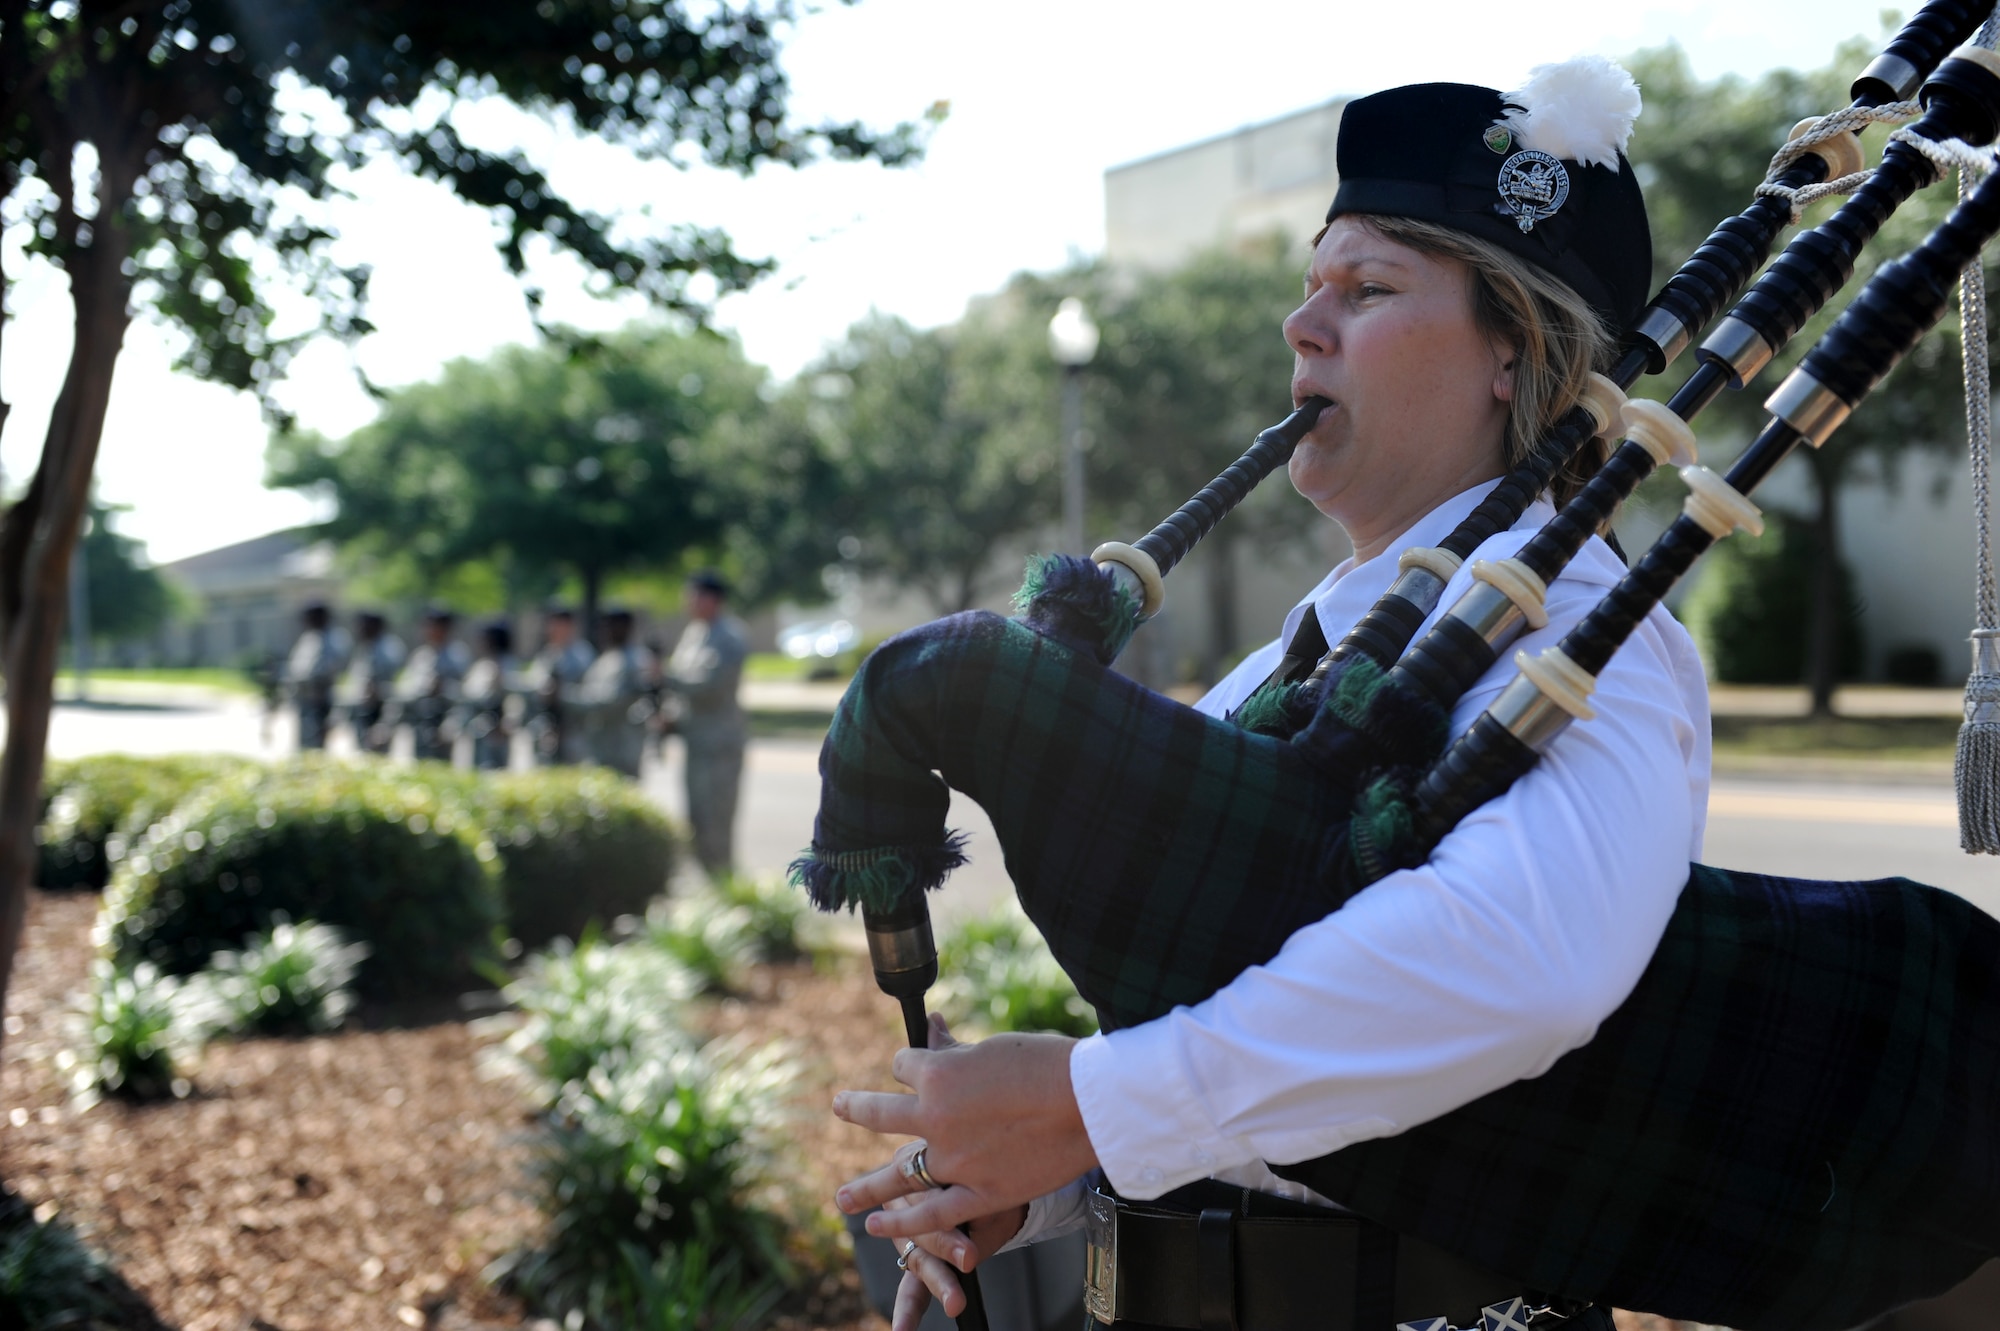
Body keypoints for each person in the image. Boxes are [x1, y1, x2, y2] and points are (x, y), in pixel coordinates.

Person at [830, 63, 1705, 1331]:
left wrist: (1090, 1098)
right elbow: (1269, 1081)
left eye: (1367, 289)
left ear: (1511, 352)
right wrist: (1052, 1171)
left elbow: (1524, 961)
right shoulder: (1277, 668)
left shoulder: (1581, 633)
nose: (1303, 327)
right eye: (1309, 289)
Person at [661, 570, 750, 877]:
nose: (689, 601)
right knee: (695, 820)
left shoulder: (729, 635)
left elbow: (710, 685)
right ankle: (706, 891)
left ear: (714, 599)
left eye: (695, 594)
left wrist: (665, 677)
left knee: (717, 822)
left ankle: (725, 890)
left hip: (719, 745)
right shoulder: (694, 633)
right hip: (695, 742)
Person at [573, 608, 657, 779]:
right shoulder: (608, 657)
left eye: (609, 625)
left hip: (622, 747)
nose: (604, 630)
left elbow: (608, 701)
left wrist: (565, 697)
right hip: (602, 743)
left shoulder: (634, 660)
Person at [390, 608, 470, 763]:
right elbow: (405, 686)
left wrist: (444, 688)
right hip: (421, 717)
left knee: (442, 763)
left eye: (435, 626)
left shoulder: (457, 655)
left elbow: (466, 691)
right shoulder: (421, 656)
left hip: (445, 717)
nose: (430, 630)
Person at [520, 607, 596, 765]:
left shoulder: (582, 654)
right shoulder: (547, 654)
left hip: (573, 726)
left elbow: (591, 692)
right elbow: (533, 683)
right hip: (547, 725)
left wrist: (562, 693)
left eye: (558, 624)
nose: (553, 629)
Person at [453, 620, 519, 770]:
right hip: (479, 724)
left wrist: (508, 720)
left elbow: (512, 698)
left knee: (497, 769)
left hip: (498, 725)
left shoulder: (506, 664)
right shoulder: (483, 665)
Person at [283, 602, 349, 752]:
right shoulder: (310, 637)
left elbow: (329, 671)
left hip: (320, 700)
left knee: (315, 745)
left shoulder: (334, 638)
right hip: (305, 698)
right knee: (305, 744)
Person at [338, 610, 405, 756]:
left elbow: (394, 686)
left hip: (380, 709)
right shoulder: (365, 648)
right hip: (363, 710)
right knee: (363, 753)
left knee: (379, 753)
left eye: (364, 625)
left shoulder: (388, 648)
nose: (360, 629)